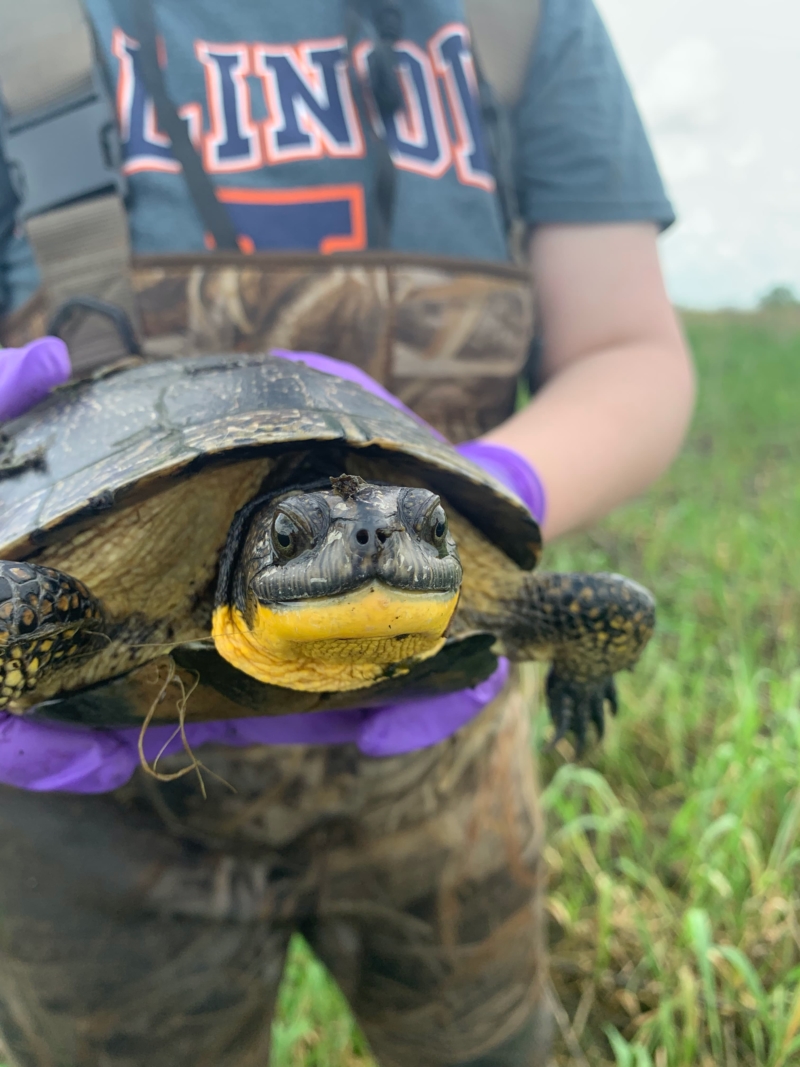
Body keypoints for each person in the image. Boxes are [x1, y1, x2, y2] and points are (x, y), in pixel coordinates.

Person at [0, 1, 695, 1064]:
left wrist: (494, 486)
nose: (373, 544)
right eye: (309, 537)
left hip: (443, 785)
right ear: (245, 553)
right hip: (92, 831)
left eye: (412, 531)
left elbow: (628, 348)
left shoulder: (521, 18)